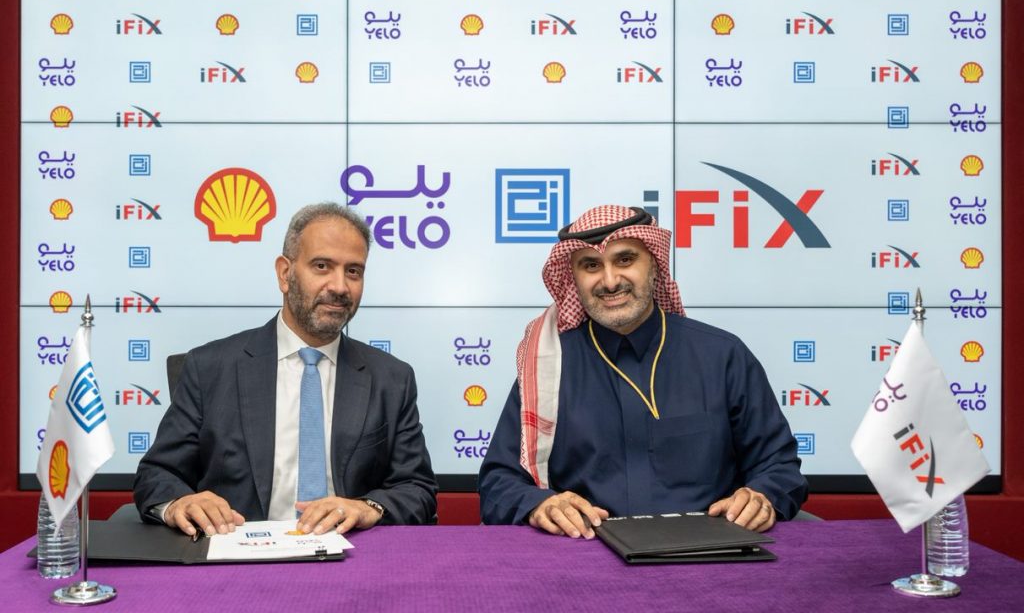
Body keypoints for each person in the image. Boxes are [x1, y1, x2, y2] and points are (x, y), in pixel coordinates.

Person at [479, 204, 807, 538]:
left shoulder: (722, 355)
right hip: (585, 550)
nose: (610, 282)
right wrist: (540, 504)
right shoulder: (547, 365)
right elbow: (498, 483)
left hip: (708, 551)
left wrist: (762, 496)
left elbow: (779, 467)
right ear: (573, 278)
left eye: (625, 260)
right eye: (591, 265)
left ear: (654, 263)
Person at [134, 203, 437, 536]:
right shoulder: (209, 369)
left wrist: (368, 506)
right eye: (322, 266)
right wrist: (180, 502)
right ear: (284, 273)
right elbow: (157, 475)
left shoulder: (391, 379)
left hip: (353, 554)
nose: (340, 286)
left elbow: (417, 489)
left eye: (353, 271)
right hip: (239, 553)